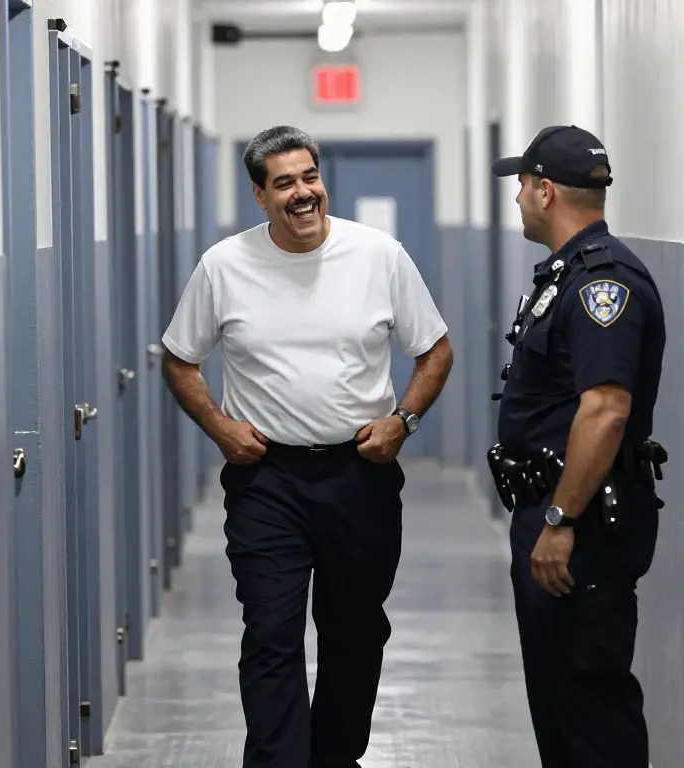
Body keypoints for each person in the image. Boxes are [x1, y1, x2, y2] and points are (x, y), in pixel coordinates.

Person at [161, 125, 453, 768]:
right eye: (284, 182)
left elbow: (434, 349)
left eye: (309, 177)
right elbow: (180, 358)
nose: (302, 193)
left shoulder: (378, 255)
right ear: (259, 196)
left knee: (356, 632)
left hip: (360, 474)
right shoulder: (224, 265)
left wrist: (403, 420)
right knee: (271, 632)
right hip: (268, 479)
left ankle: (335, 757)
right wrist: (220, 427)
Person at [489, 124, 667, 768]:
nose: (517, 199)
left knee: (590, 713)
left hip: (582, 524)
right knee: (560, 704)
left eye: (521, 186)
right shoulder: (567, 275)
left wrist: (560, 521)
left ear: (545, 191)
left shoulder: (602, 284)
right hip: (557, 511)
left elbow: (606, 410)